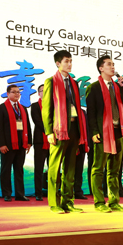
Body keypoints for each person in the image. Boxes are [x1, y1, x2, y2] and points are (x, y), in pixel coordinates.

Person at [42, 50, 88, 214]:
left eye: (71, 61)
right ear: (58, 63)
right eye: (66, 61)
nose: (69, 64)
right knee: (55, 167)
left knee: (70, 168)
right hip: (59, 130)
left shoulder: (73, 83)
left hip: (74, 129)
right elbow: (46, 109)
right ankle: (54, 203)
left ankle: (68, 202)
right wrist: (49, 131)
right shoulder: (51, 82)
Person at [85, 55, 123, 213]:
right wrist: (94, 132)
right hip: (102, 132)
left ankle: (114, 201)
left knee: (115, 170)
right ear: (101, 68)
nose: (113, 67)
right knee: (98, 168)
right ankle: (98, 202)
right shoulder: (94, 87)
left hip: (117, 131)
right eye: (109, 64)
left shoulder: (117, 86)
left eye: (113, 64)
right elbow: (91, 112)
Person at [0, 84, 32, 201]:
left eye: (18, 92)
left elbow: (28, 126)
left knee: (19, 169)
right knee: (6, 170)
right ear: (8, 94)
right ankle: (6, 193)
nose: (16, 94)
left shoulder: (23, 108)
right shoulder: (1, 108)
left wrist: (29, 142)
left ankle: (20, 194)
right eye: (14, 92)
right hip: (8, 144)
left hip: (21, 144)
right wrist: (2, 144)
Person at [30, 84, 50, 201]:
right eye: (42, 91)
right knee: (39, 168)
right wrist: (50, 131)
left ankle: (53, 191)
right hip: (40, 141)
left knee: (53, 168)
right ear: (39, 93)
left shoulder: (54, 105)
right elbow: (37, 121)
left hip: (53, 141)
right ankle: (38, 192)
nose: (44, 92)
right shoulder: (35, 106)